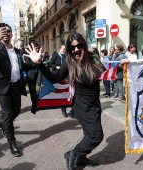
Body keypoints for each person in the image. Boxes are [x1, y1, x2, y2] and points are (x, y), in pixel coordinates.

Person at [25, 33, 105, 170]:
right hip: (82, 105)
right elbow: (55, 79)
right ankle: (72, 154)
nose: (76, 50)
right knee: (96, 136)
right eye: (72, 47)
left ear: (84, 45)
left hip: (95, 103)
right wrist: (39, 64)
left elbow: (105, 72)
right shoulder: (69, 63)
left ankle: (81, 159)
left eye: (79, 46)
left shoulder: (94, 59)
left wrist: (121, 67)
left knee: (89, 134)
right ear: (68, 49)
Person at [0, 24, 34, 157]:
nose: (6, 33)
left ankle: (3, 124)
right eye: (3, 31)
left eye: (8, 31)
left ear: (12, 34)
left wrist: (36, 62)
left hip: (16, 86)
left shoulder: (18, 51)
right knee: (7, 115)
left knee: (17, 110)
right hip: (2, 88)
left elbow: (23, 66)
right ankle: (12, 142)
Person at [49, 45, 69, 117]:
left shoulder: (67, 56)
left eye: (65, 49)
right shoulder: (55, 56)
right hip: (57, 75)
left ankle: (73, 111)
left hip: (67, 76)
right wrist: (56, 67)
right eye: (63, 49)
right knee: (62, 92)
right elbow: (50, 64)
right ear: (59, 49)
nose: (64, 50)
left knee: (68, 92)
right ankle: (63, 109)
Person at [24, 42, 39, 114]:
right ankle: (34, 107)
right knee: (33, 92)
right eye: (36, 48)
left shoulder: (39, 54)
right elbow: (27, 65)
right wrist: (35, 63)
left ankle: (38, 105)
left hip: (38, 76)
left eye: (38, 48)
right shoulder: (27, 56)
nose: (37, 49)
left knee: (38, 91)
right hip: (31, 77)